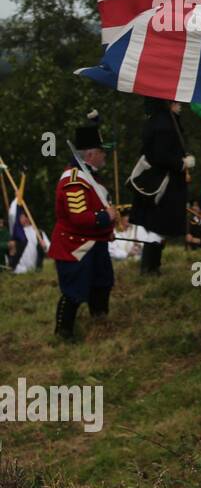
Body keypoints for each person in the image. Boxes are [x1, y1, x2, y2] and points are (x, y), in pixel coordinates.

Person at [49, 115, 117, 341]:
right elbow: (78, 217)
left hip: (95, 242)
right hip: (76, 245)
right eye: (102, 152)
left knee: (102, 283)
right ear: (90, 155)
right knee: (74, 291)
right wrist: (105, 217)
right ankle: (63, 333)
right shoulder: (74, 180)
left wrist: (107, 231)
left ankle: (99, 323)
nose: (105, 155)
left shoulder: (90, 177)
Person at [131, 99, 193, 275]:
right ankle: (150, 267)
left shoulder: (159, 121)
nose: (179, 104)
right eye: (176, 101)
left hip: (159, 181)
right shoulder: (164, 124)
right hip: (164, 183)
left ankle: (152, 266)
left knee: (156, 226)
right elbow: (161, 155)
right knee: (158, 226)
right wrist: (181, 163)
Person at [6, 199, 46, 273]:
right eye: (21, 216)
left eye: (26, 216)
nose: (25, 219)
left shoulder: (39, 232)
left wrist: (44, 247)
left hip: (33, 270)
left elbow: (48, 249)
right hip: (18, 270)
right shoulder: (15, 233)